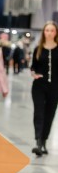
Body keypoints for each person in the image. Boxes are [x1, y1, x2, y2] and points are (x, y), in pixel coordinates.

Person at [30, 21, 58, 156]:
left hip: (55, 87)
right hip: (39, 86)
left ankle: (44, 141)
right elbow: (33, 66)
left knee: (49, 114)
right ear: (43, 32)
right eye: (47, 30)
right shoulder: (38, 49)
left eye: (52, 30)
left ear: (56, 32)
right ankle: (38, 143)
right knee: (39, 113)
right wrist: (33, 73)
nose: (49, 33)